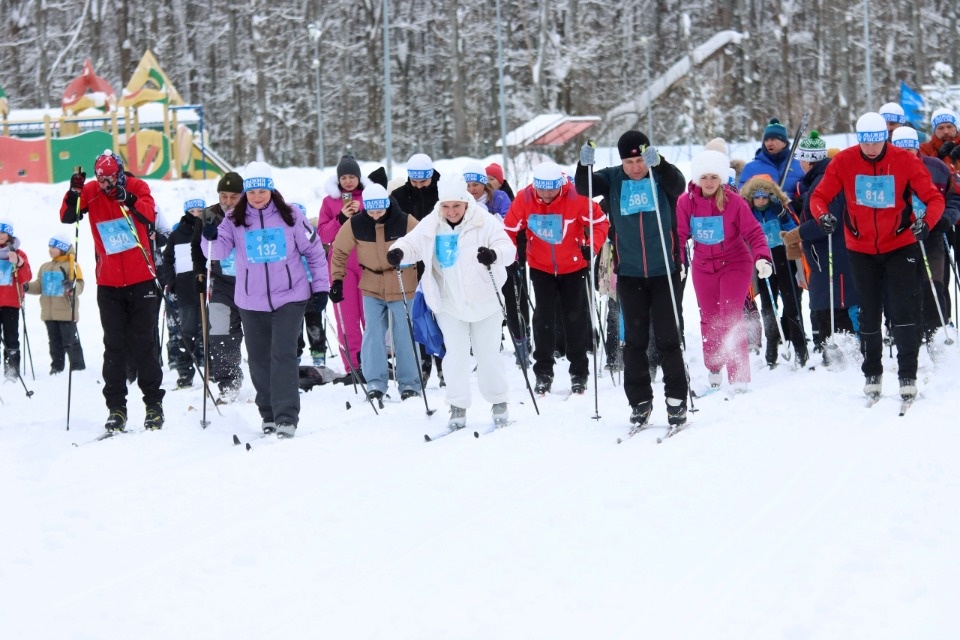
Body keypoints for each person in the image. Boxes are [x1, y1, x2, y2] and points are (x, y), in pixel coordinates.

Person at [809, 112, 945, 403]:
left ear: (886, 137)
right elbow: (818, 198)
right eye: (865, 143)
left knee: (903, 310)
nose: (871, 149)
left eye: (877, 142)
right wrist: (823, 218)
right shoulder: (844, 161)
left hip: (900, 244)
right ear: (858, 140)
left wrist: (926, 222)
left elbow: (934, 198)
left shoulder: (905, 160)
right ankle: (872, 372)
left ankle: (907, 374)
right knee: (869, 312)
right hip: (860, 249)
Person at [201, 161, 329, 439]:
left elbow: (314, 252)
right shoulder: (234, 218)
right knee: (258, 359)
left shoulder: (291, 215)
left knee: (282, 354)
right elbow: (217, 251)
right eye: (252, 191)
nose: (257, 197)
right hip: (250, 299)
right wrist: (207, 236)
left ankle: (286, 417)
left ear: (271, 189)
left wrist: (321, 288)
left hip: (290, 296)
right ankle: (268, 414)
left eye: (262, 190)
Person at [575, 130, 688, 426]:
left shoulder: (661, 174)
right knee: (634, 342)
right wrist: (582, 165)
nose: (636, 167)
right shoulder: (612, 178)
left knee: (668, 339)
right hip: (630, 273)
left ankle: (676, 399)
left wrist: (660, 164)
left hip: (665, 270)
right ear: (621, 160)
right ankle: (639, 401)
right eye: (629, 161)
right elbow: (584, 188)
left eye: (640, 160)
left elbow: (679, 185)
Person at [387, 172, 515, 430]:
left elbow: (508, 249)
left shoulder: (484, 221)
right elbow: (412, 243)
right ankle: (457, 405)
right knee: (454, 355)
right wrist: (398, 252)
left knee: (487, 354)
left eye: (456, 205)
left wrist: (494, 255)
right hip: (448, 301)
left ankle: (498, 401)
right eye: (446, 206)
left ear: (466, 202)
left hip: (485, 302)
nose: (451, 211)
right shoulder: (432, 222)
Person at [60, 150, 164, 432]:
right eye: (101, 179)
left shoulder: (137, 186)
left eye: (110, 179)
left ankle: (154, 405)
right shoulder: (91, 191)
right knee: (114, 347)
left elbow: (148, 215)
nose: (106, 185)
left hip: (142, 279)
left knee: (144, 345)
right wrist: (73, 192)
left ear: (120, 173)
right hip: (109, 284)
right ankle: (116, 408)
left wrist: (127, 198)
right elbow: (68, 217)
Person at [505, 161, 608, 395]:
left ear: (561, 185)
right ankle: (543, 371)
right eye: (542, 189)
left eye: (552, 189)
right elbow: (509, 230)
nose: (547, 194)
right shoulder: (524, 198)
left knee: (574, 320)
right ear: (535, 186)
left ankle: (579, 371)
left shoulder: (576, 197)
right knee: (543, 319)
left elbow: (600, 222)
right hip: (541, 266)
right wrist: (511, 255)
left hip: (573, 266)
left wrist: (592, 246)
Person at [678, 147, 773, 393]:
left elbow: (753, 232)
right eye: (704, 177)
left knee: (731, 316)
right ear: (697, 178)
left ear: (721, 178)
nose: (709, 182)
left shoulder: (734, 202)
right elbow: (677, 236)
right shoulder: (685, 202)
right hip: (702, 265)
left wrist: (762, 258)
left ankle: (739, 375)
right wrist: (677, 260)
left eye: (714, 177)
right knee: (709, 317)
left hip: (735, 263)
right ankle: (714, 364)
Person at [330, 183, 420, 401]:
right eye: (371, 211)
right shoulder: (356, 224)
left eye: (380, 211)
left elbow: (423, 244)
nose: (376, 215)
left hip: (401, 282)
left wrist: (413, 262)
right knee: (373, 333)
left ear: (387, 205)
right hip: (372, 284)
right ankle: (375, 383)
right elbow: (339, 251)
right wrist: (337, 280)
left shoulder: (405, 221)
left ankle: (410, 384)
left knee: (404, 333)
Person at [890, 126, 960, 358]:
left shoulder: (935, 167)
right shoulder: (883, 170)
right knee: (905, 289)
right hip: (898, 238)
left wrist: (945, 219)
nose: (906, 154)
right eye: (900, 150)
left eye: (910, 149)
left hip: (930, 235)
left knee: (932, 285)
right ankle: (908, 340)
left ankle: (937, 339)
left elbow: (954, 198)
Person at [792, 130, 859, 365]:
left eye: (801, 159)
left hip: (833, 255)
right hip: (822, 256)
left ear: (809, 160)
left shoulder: (824, 180)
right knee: (824, 301)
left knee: (834, 303)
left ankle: (842, 356)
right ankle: (830, 354)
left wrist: (800, 232)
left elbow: (828, 222)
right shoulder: (817, 179)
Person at [739, 176, 809, 367]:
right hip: (762, 264)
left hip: (783, 260)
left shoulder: (780, 210)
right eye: (757, 197)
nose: (761, 201)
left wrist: (784, 217)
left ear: (771, 197)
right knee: (768, 307)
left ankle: (800, 346)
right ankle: (772, 345)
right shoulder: (748, 214)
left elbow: (795, 231)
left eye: (764, 197)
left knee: (792, 305)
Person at [390, 153, 444, 384]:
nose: (420, 186)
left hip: (440, 256)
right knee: (418, 310)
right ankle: (423, 361)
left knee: (441, 309)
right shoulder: (399, 196)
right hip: (412, 257)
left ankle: (444, 362)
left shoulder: (443, 192)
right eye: (415, 182)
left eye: (424, 181)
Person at [192, 171, 246, 403]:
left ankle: (268, 379)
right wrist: (198, 273)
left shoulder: (253, 213)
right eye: (223, 196)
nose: (228, 202)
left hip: (250, 282)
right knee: (220, 331)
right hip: (221, 282)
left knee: (257, 333)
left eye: (233, 197)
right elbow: (196, 248)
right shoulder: (208, 215)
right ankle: (228, 382)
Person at [319, 155, 366, 384]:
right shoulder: (330, 202)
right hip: (341, 265)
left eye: (352, 176)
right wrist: (340, 217)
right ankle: (353, 367)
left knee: (371, 317)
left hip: (368, 263)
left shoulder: (368, 197)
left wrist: (363, 210)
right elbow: (323, 235)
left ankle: (374, 361)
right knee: (347, 318)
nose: (348, 181)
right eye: (344, 177)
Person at [24, 232, 86, 374]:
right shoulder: (45, 266)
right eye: (49, 246)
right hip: (49, 313)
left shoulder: (72, 265)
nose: (50, 249)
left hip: (66, 311)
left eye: (54, 247)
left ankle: (77, 367)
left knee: (70, 340)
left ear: (63, 248)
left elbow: (80, 286)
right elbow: (40, 285)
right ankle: (57, 367)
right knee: (54, 342)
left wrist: (72, 287)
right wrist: (27, 287)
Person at [162, 197, 205, 388]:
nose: (196, 214)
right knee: (186, 332)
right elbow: (167, 260)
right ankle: (185, 373)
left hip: (206, 287)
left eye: (199, 211)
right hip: (186, 289)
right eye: (193, 211)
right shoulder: (177, 234)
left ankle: (212, 370)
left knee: (210, 330)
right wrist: (171, 282)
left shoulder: (208, 230)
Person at [737, 118, 804, 196]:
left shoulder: (800, 166)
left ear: (784, 143)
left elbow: (808, 192)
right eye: (766, 140)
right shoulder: (750, 168)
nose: (769, 143)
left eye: (773, 139)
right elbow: (742, 196)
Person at [0, 219, 32, 380]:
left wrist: (19, 263)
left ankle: (11, 371)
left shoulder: (19, 253)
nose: (0, 235)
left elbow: (26, 277)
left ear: (9, 235)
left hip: (11, 302)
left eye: (3, 232)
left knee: (11, 338)